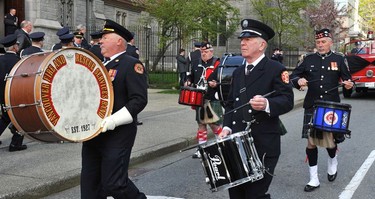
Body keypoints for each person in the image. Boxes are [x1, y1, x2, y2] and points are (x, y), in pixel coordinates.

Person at [218, 19, 294, 198]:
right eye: (242, 39)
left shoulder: (276, 68)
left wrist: (267, 104)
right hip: (236, 144)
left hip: (263, 144)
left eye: (249, 39)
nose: (243, 43)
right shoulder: (238, 72)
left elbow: (287, 100)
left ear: (262, 45)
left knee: (255, 194)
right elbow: (230, 104)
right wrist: (227, 127)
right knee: (236, 194)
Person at [80, 19, 148, 199]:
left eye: (105, 37)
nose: (100, 41)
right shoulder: (99, 65)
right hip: (94, 133)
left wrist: (113, 120)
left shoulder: (131, 64)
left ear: (119, 41)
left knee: (114, 183)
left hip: (118, 134)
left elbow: (139, 100)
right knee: (90, 185)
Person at [290, 28, 354, 192]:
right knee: (311, 143)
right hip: (313, 105)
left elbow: (347, 80)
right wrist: (299, 80)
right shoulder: (308, 59)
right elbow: (294, 76)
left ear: (331, 42)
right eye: (318, 42)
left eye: (323, 42)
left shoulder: (339, 59)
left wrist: (348, 85)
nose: (320, 45)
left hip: (331, 106)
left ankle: (333, 160)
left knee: (330, 141)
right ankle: (314, 179)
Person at [186, 41, 223, 159]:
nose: (203, 54)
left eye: (206, 52)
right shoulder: (196, 63)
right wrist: (188, 81)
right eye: (202, 52)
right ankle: (201, 149)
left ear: (211, 52)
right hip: (199, 98)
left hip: (212, 97)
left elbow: (224, 80)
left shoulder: (218, 63)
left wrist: (216, 83)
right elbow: (190, 75)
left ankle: (222, 145)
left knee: (214, 124)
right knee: (201, 124)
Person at [0, 34, 27, 152]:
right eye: (16, 44)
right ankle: (15, 143)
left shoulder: (0, 59)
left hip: (1, 95)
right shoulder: (18, 62)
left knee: (5, 117)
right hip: (14, 94)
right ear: (14, 47)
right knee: (20, 118)